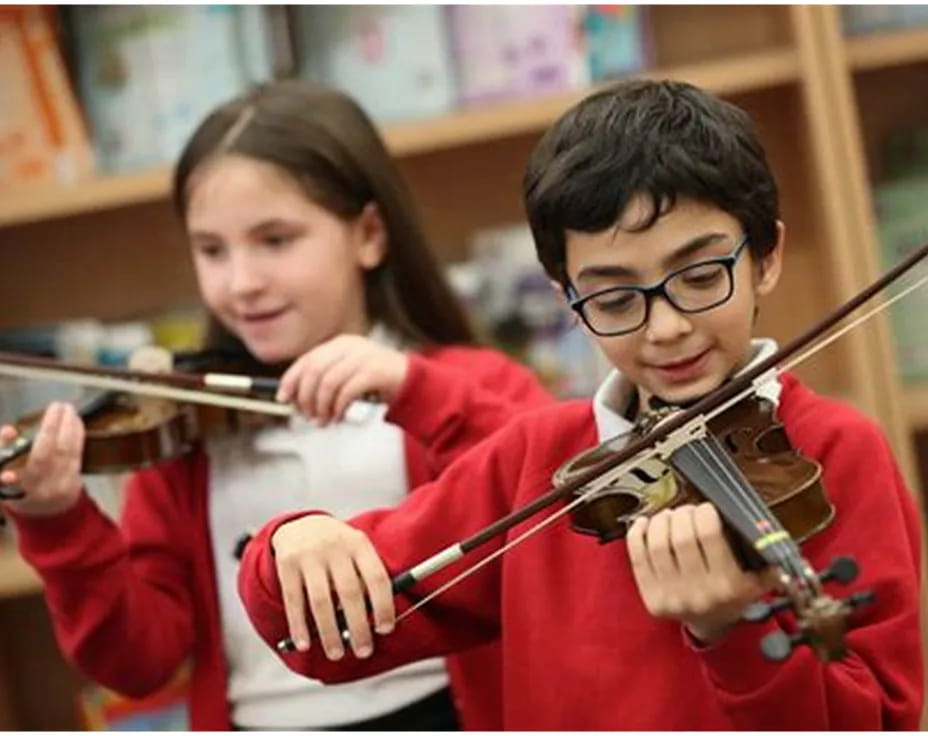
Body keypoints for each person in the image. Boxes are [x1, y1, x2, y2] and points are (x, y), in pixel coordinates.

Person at [237, 79, 924, 730]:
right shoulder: (536, 460)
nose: (666, 327)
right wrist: (292, 541)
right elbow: (323, 641)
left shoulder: (836, 450)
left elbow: (880, 722)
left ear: (766, 256)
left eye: (701, 276)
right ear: (567, 298)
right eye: (616, 298)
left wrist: (736, 631)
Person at [0, 80, 552, 731]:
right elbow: (135, 662)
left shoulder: (458, 383)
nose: (241, 283)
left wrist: (418, 392)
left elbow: (552, 516)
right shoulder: (188, 433)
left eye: (276, 240)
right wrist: (56, 521)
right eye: (212, 250)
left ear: (369, 235)